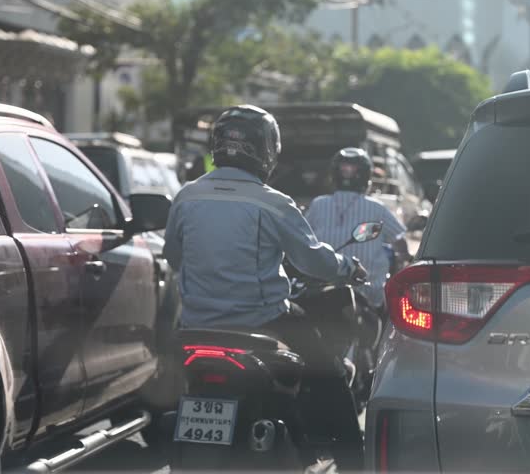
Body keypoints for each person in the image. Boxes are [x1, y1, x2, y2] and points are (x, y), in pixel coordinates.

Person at [163, 105, 366, 471]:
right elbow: (314, 262)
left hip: (195, 326)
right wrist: (348, 267)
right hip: (261, 322)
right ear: (268, 149)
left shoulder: (186, 196)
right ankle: (355, 463)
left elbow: (174, 257)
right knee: (331, 376)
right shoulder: (272, 202)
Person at [305, 148, 407, 311]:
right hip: (368, 295)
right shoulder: (377, 208)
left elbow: (304, 240)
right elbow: (400, 241)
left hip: (321, 292)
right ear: (366, 177)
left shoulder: (319, 204)